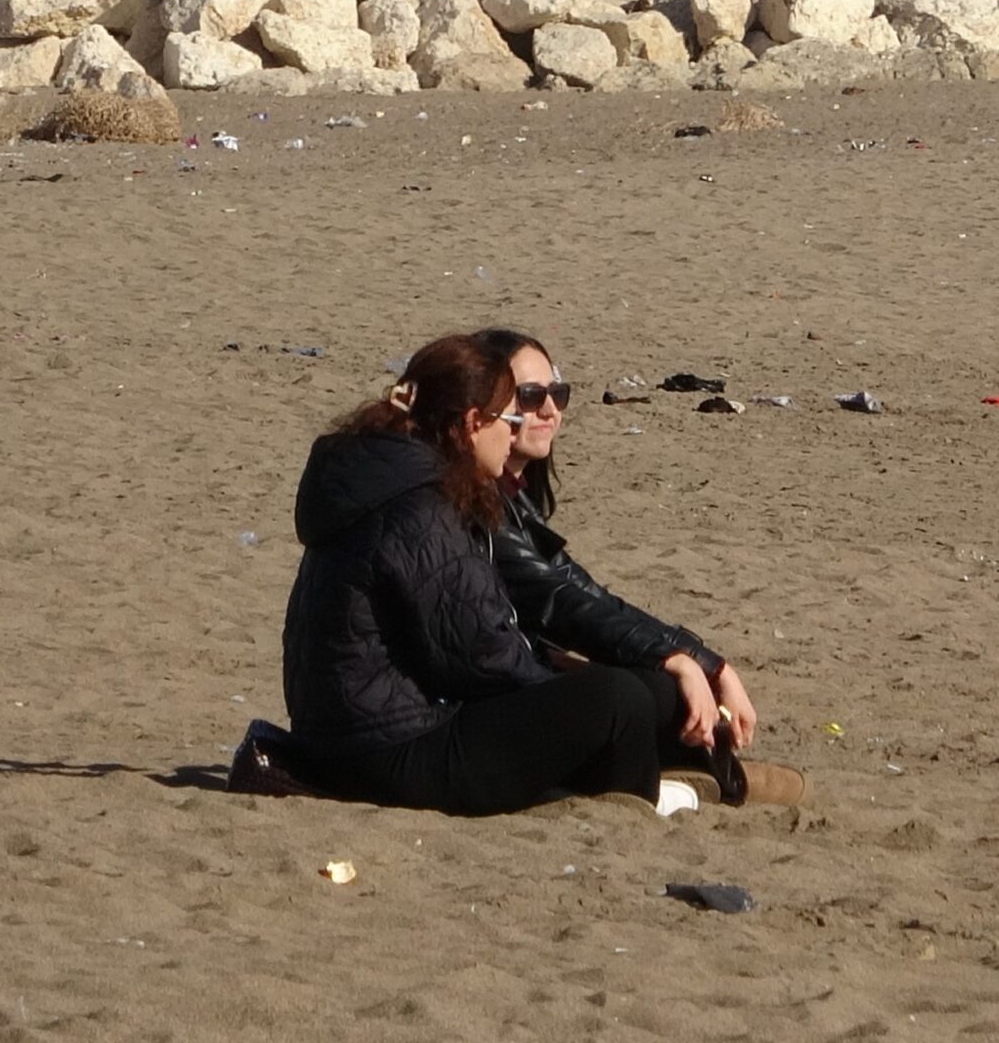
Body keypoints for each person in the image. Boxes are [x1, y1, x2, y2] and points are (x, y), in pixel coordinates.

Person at [263, 332, 795, 815]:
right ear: (472, 424)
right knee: (615, 701)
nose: (521, 425)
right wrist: (567, 686)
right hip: (386, 745)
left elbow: (486, 628)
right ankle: (645, 796)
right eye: (509, 418)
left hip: (387, 725)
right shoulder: (420, 508)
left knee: (639, 690)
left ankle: (693, 775)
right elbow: (482, 655)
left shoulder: (410, 484)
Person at [470, 327, 798, 806]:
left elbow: (579, 588)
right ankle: (709, 783)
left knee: (661, 687)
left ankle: (708, 772)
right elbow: (558, 603)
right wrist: (680, 661)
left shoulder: (512, 495)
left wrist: (703, 661)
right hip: (481, 702)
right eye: (531, 396)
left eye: (559, 394)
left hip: (516, 671)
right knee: (643, 694)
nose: (550, 410)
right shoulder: (473, 502)